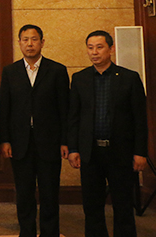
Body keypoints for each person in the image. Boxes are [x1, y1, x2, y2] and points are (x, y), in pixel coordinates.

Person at [68, 30, 148, 237]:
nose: (94, 52)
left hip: (120, 152)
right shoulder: (79, 78)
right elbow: (74, 117)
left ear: (111, 49)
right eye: (90, 48)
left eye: (99, 47)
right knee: (92, 206)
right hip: (90, 152)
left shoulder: (129, 78)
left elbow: (140, 119)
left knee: (123, 205)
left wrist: (140, 152)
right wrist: (73, 148)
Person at [0, 24, 69, 237]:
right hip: (20, 143)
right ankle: (26, 232)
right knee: (24, 193)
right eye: (25, 40)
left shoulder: (57, 71)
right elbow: (4, 109)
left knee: (50, 193)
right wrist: (5, 140)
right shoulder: (10, 72)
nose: (30, 44)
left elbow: (64, 109)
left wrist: (65, 141)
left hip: (50, 142)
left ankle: (50, 233)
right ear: (19, 43)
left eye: (34, 39)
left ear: (42, 42)